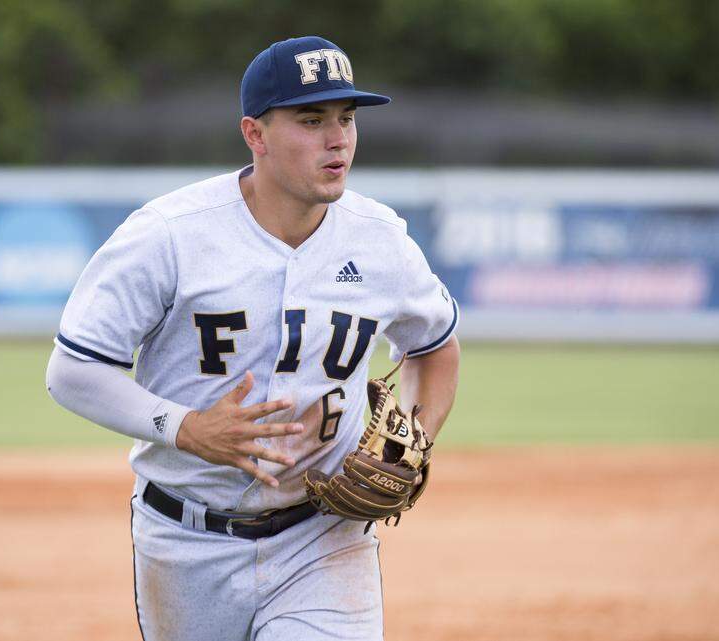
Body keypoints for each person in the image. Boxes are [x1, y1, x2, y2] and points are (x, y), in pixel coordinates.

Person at [46, 35, 460, 641]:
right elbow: (72, 373)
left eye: (346, 119)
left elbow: (435, 346)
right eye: (311, 119)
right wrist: (186, 428)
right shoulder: (169, 236)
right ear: (255, 135)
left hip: (324, 535)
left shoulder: (380, 241)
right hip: (185, 542)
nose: (337, 138)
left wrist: (415, 437)